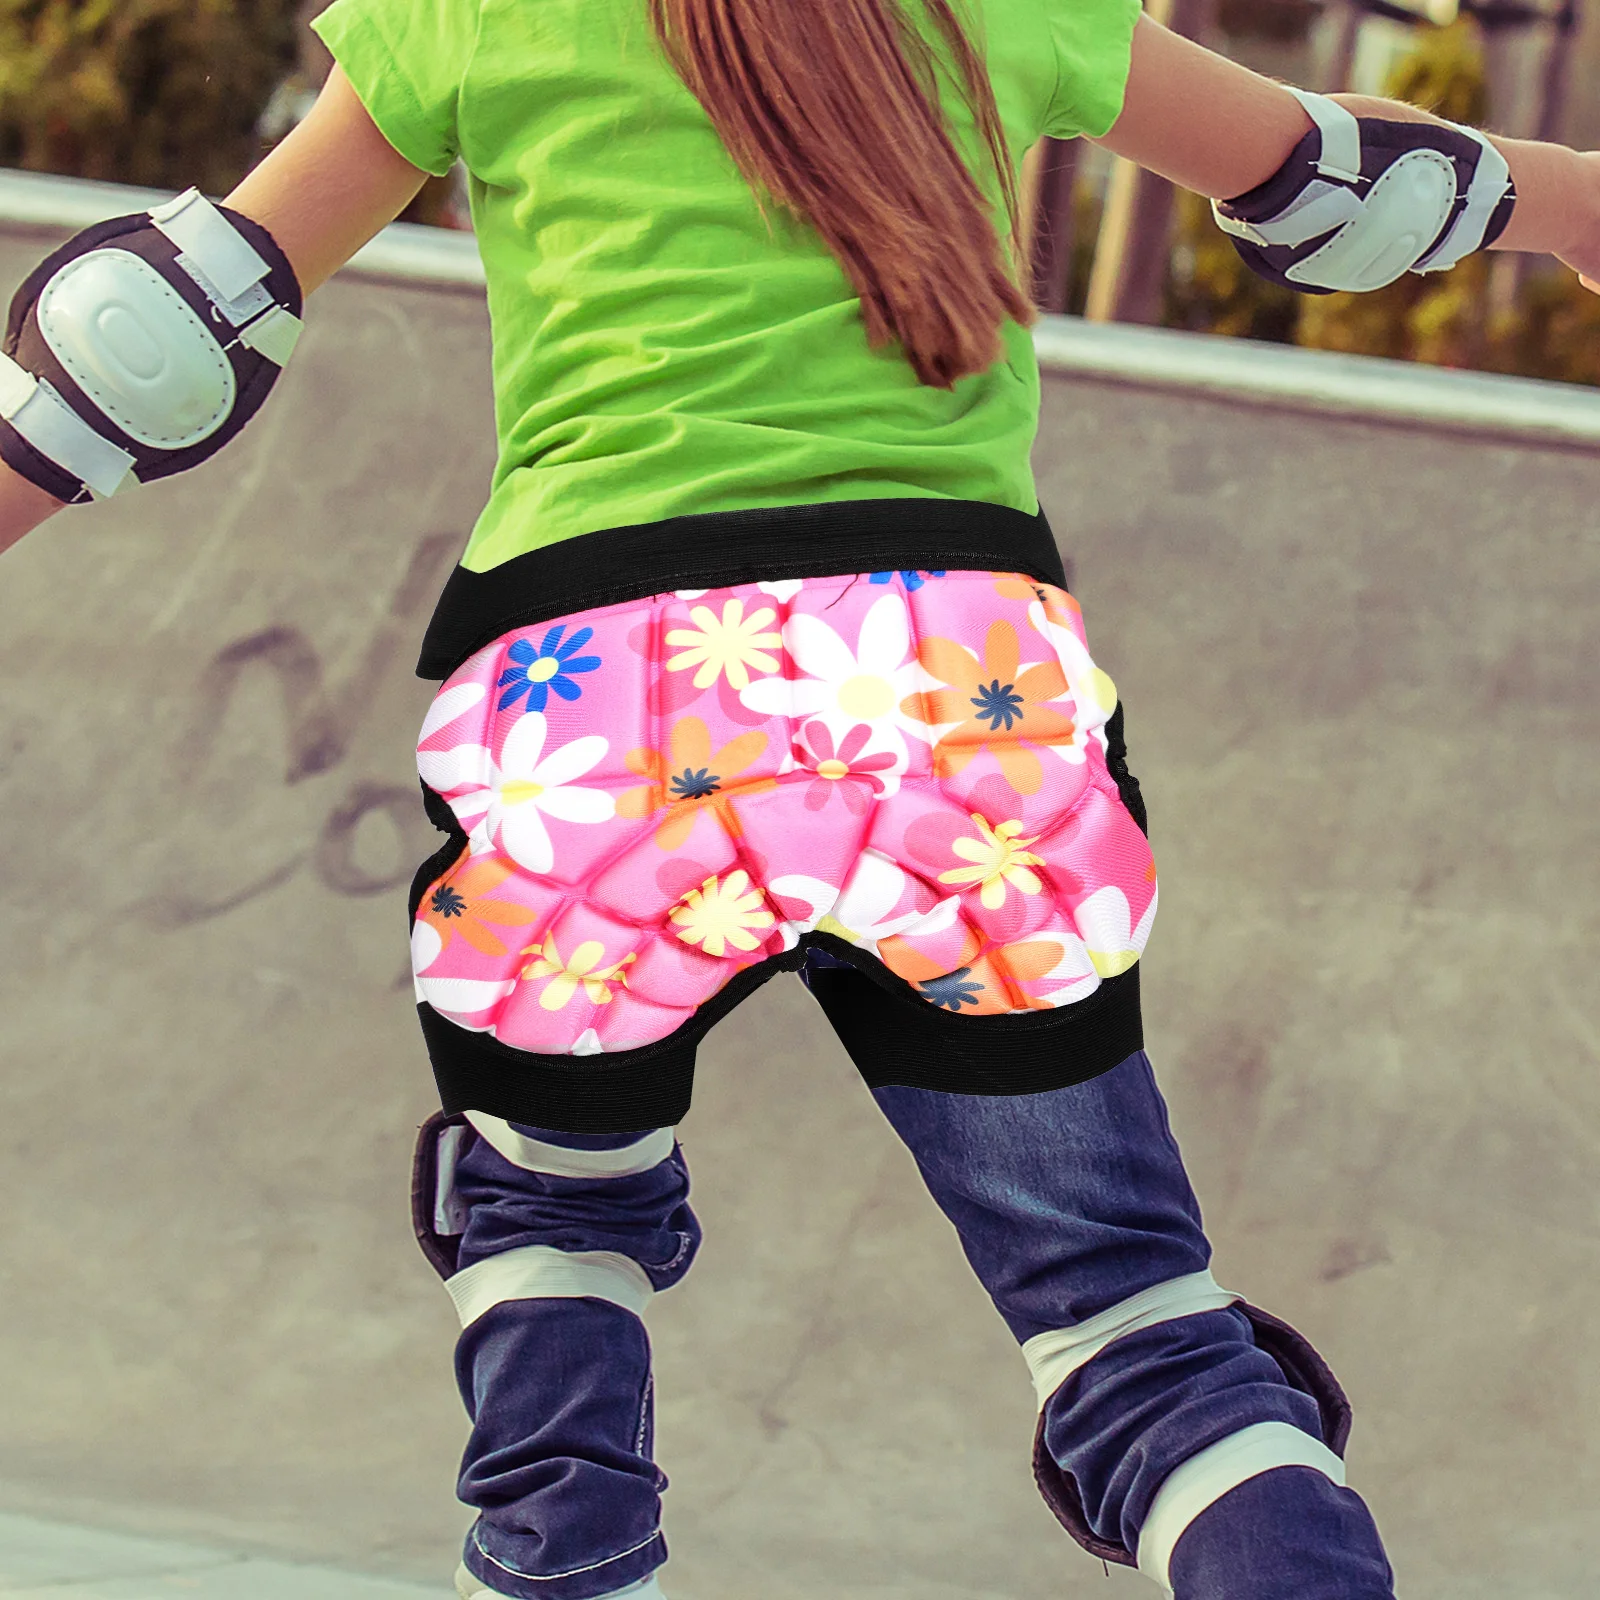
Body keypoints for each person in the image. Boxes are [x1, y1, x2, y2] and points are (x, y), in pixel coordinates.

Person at [3, 3, 1598, 1597]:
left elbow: (161, 334)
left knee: (547, 1207)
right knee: (1130, 1317)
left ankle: (571, 1551)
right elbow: (1341, 182)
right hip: (954, 697)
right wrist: (1582, 201)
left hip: (604, 710)